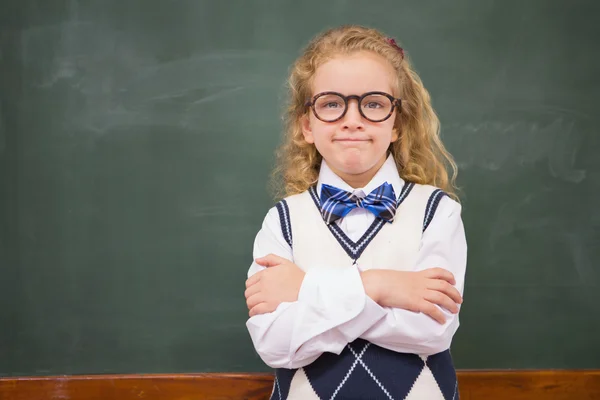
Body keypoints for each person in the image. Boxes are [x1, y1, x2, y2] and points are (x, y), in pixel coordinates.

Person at [244, 24, 467, 400]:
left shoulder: (437, 211)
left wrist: (307, 290)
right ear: (306, 126)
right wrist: (379, 286)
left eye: (374, 103)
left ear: (397, 123)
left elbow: (430, 331)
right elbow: (274, 343)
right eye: (331, 103)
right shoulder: (282, 220)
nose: (352, 119)